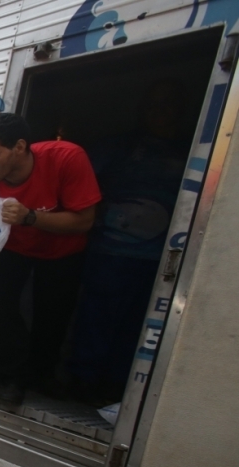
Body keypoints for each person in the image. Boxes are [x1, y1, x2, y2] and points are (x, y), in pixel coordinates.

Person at [68, 81, 191, 405]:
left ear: (181, 108)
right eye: (151, 103)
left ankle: (115, 387)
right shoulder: (118, 147)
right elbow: (80, 188)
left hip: (160, 258)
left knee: (139, 325)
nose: (158, 111)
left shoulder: (193, 150)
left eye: (167, 103)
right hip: (111, 252)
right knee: (97, 318)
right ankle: (82, 381)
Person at [0, 113, 101, 407]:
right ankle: (10, 379)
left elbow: (84, 221)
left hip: (63, 250)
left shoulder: (66, 157)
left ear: (19, 147)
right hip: (15, 249)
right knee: (3, 307)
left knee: (53, 315)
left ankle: (42, 375)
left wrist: (30, 217)